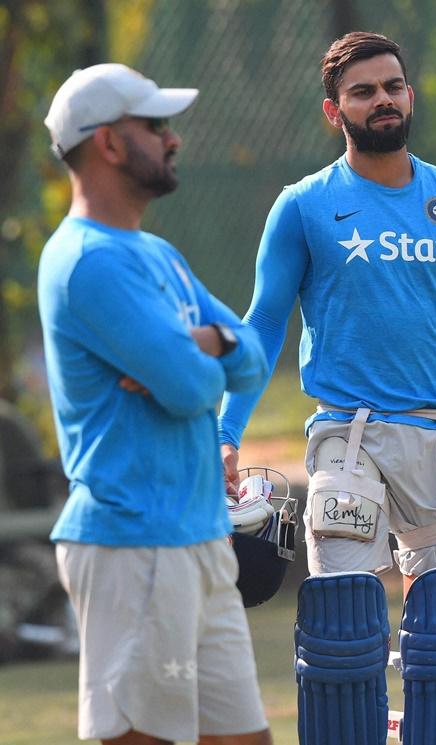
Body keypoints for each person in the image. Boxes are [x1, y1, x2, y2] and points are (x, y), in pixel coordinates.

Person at [218, 32, 436, 745]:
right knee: (344, 624)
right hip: (346, 434)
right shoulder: (303, 205)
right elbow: (261, 327)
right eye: (363, 91)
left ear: (409, 95)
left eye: (392, 86)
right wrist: (226, 432)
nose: (382, 99)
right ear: (333, 110)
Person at [39, 63, 273, 745]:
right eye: (156, 126)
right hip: (132, 547)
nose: (173, 140)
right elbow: (194, 387)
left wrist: (204, 340)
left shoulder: (158, 254)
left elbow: (251, 354)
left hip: (197, 541)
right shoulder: (88, 261)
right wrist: (198, 359)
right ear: (109, 143)